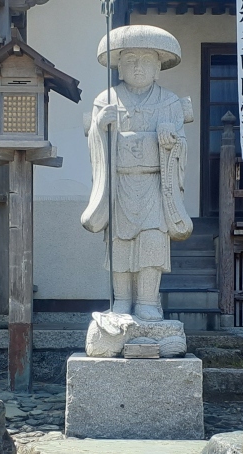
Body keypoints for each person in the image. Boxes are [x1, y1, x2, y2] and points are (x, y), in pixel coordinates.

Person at [83, 25, 194, 322]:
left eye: (146, 61)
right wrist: (99, 127)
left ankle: (147, 301)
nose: (138, 67)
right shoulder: (106, 99)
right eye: (131, 60)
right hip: (119, 183)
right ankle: (121, 300)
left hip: (155, 184)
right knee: (120, 243)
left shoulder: (169, 102)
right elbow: (94, 140)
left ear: (158, 68)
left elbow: (181, 145)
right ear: (119, 68)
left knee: (152, 242)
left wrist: (171, 140)